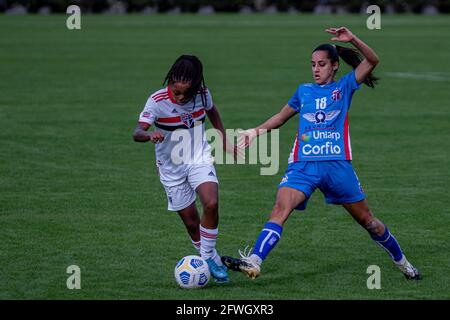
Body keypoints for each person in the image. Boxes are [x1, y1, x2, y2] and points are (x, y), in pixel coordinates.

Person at [222, 27, 421, 280]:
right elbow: (281, 117)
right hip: (303, 165)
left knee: (369, 222)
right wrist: (255, 132)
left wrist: (354, 40)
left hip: (337, 167)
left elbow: (373, 60)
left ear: (335, 66)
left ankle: (404, 263)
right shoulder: (303, 90)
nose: (316, 69)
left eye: (322, 64)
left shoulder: (345, 86)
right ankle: (254, 260)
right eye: (313, 64)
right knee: (280, 209)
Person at [133, 54, 237, 283]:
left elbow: (212, 111)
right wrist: (150, 134)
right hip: (171, 168)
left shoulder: (202, 94)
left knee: (211, 203)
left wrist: (224, 138)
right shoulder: (157, 100)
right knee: (191, 223)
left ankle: (208, 257)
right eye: (176, 91)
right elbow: (137, 133)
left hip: (199, 157)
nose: (180, 98)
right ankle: (213, 258)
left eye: (185, 94)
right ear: (170, 81)